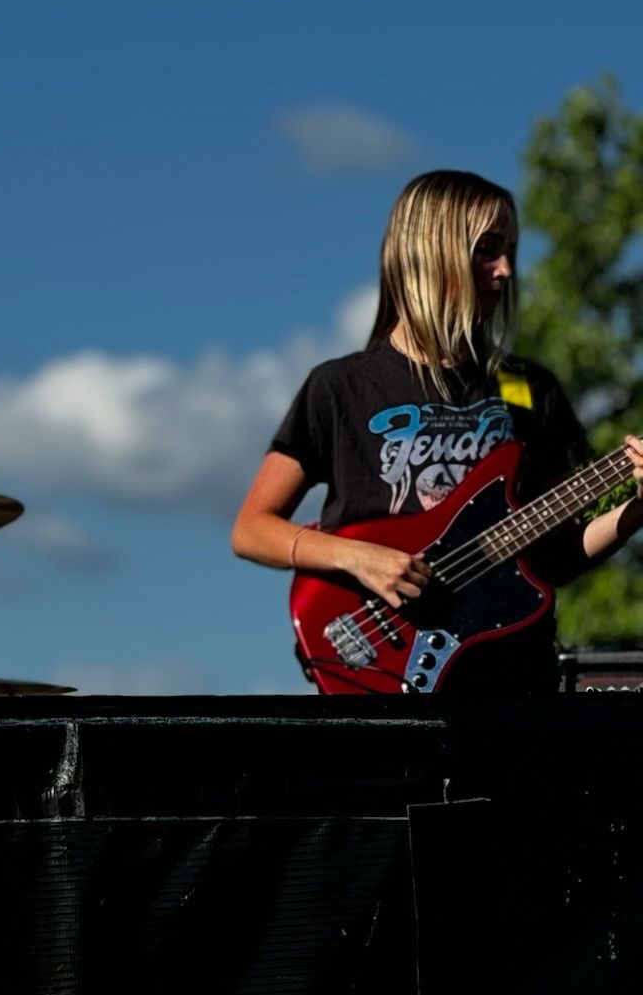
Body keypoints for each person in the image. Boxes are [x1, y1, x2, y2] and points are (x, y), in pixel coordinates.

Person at [232, 169, 643, 695]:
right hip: (385, 670)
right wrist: (356, 557)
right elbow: (251, 529)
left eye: (510, 250)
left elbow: (555, 556)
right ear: (430, 253)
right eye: (487, 249)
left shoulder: (527, 389)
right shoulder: (340, 387)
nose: (506, 270)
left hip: (513, 683)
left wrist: (635, 511)